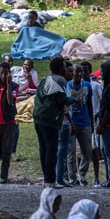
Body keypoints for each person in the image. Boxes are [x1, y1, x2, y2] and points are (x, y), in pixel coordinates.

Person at [33, 56, 76, 188]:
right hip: (50, 119)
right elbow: (62, 100)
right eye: (63, 66)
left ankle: (47, 179)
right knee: (52, 149)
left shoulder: (45, 79)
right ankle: (51, 180)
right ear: (60, 68)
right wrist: (76, 98)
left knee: (43, 148)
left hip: (38, 117)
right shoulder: (60, 80)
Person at [67, 63, 93, 187]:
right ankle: (72, 177)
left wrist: (91, 122)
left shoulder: (87, 86)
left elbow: (90, 104)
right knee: (71, 152)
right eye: (77, 72)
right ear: (72, 73)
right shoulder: (67, 86)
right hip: (71, 122)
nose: (79, 74)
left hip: (84, 121)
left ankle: (81, 174)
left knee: (87, 151)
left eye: (81, 72)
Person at [80, 61, 104, 186]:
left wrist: (98, 114)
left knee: (94, 151)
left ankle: (96, 178)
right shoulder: (76, 86)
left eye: (85, 71)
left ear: (89, 72)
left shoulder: (95, 86)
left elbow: (103, 102)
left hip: (94, 120)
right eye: (80, 71)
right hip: (81, 121)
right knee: (81, 151)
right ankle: (80, 176)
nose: (82, 73)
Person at [56, 62, 75, 188]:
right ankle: (59, 177)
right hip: (63, 122)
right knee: (62, 150)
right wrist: (71, 123)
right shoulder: (62, 84)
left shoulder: (66, 85)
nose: (72, 74)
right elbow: (65, 106)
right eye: (69, 71)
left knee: (64, 150)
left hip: (65, 121)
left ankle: (62, 176)